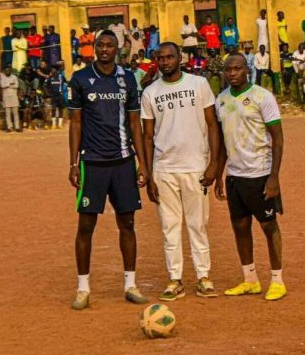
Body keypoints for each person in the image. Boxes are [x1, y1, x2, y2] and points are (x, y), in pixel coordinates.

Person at [68, 30, 148, 310]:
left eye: (109, 46)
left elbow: (135, 122)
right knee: (86, 226)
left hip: (124, 163)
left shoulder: (127, 79)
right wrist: (74, 162)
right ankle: (83, 288)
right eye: (99, 45)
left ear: (118, 49)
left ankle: (130, 284)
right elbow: (76, 123)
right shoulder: (79, 79)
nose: (103, 49)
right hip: (93, 164)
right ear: (94, 49)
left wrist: (143, 163)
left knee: (127, 224)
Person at [142, 41, 220, 301]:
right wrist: (150, 173)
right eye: (160, 58)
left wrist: (213, 164)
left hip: (195, 166)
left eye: (169, 57)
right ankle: (175, 279)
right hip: (164, 169)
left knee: (198, 225)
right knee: (169, 227)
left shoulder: (199, 85)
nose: (165, 62)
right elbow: (147, 136)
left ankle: (203, 277)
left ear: (180, 58)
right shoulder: (150, 92)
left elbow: (212, 125)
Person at [215, 53, 286, 301]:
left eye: (237, 69)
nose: (232, 73)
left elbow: (277, 139)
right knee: (240, 226)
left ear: (247, 70)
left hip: (260, 173)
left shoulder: (262, 97)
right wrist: (219, 175)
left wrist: (274, 177)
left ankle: (277, 280)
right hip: (235, 175)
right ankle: (250, 279)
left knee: (269, 226)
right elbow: (223, 142)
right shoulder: (221, 100)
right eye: (228, 70)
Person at [0, 64, 21, 132]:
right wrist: (10, 84)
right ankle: (9, 127)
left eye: (8, 70)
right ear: (4, 71)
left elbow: (17, 85)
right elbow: (2, 85)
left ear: (10, 71)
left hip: (14, 97)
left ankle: (17, 127)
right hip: (6, 98)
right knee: (7, 113)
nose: (7, 72)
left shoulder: (14, 77)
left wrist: (8, 86)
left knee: (15, 113)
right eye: (6, 71)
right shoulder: (3, 78)